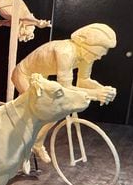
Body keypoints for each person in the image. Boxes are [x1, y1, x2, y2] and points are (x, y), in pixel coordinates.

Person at [11, 23, 118, 163]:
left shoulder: (86, 55)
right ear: (87, 46)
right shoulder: (66, 51)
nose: (99, 57)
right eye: (97, 53)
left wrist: (103, 89)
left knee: (56, 110)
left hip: (42, 78)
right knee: (46, 109)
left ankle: (37, 143)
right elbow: (66, 87)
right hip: (24, 75)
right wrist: (96, 94)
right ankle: (20, 143)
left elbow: (84, 80)